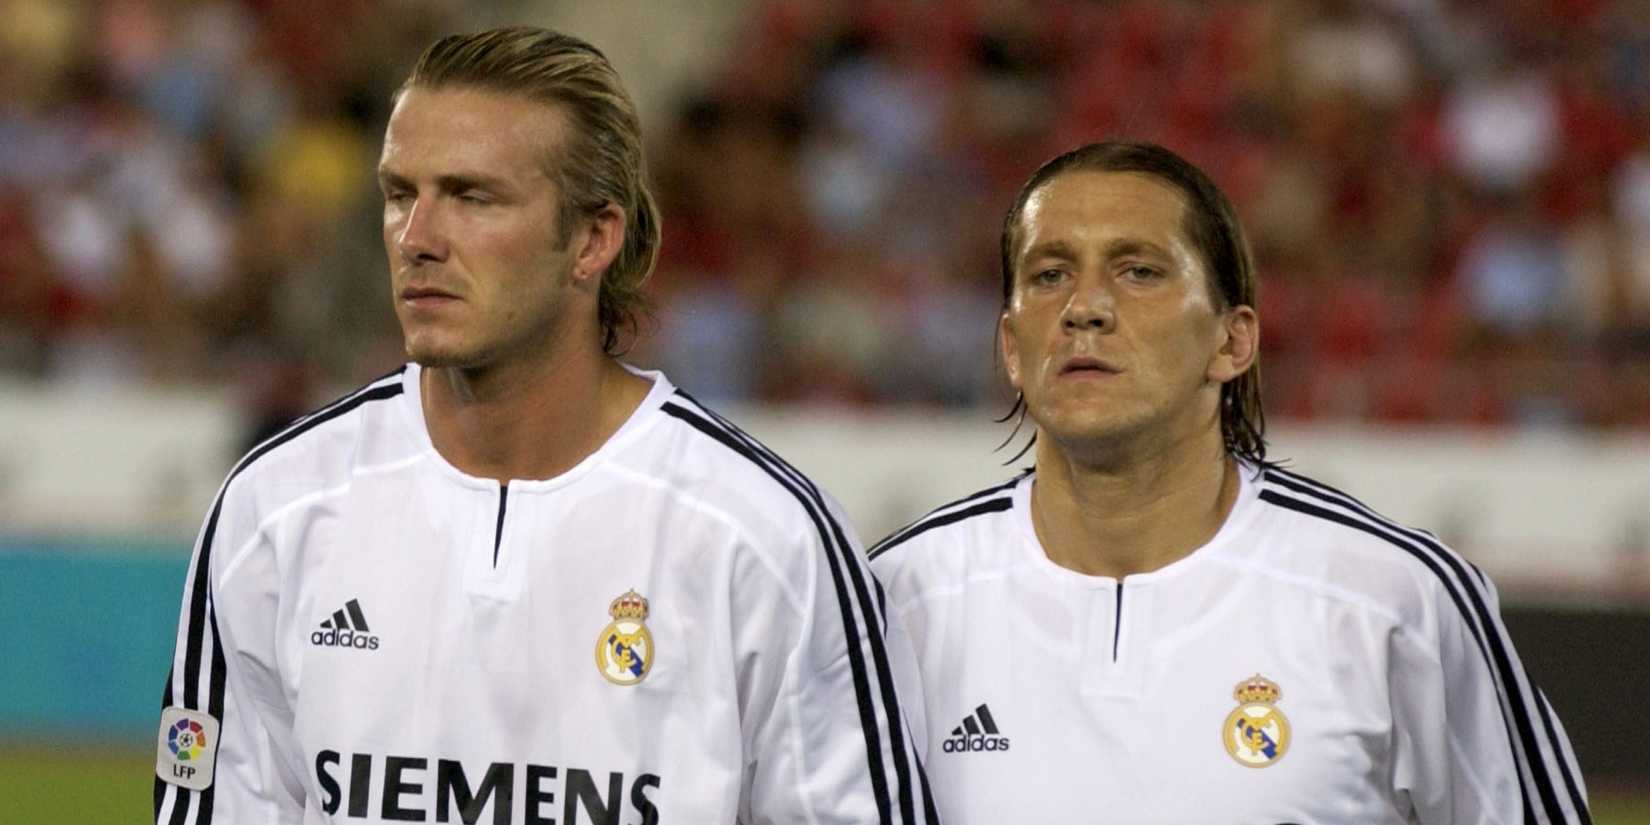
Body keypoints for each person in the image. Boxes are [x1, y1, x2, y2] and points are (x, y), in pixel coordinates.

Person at [154, 27, 936, 825]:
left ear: (593, 239)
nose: (417, 239)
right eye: (399, 194)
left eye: (472, 197)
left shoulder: (763, 539)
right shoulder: (276, 510)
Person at [867, 141, 1590, 823]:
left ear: (1232, 339)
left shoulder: (1393, 600)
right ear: (1010, 347)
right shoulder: (895, 603)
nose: (1084, 308)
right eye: (1049, 275)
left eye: (1139, 270)